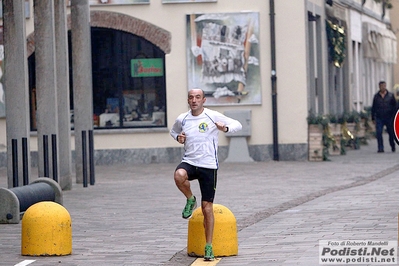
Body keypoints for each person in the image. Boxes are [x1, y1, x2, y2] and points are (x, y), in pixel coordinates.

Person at [170, 88, 242, 261]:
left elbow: (237, 125)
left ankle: (208, 246)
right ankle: (189, 199)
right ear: (188, 100)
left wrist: (224, 128)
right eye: (191, 97)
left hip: (208, 166)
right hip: (190, 161)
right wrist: (178, 137)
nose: (194, 100)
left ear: (204, 100)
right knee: (179, 175)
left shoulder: (212, 115)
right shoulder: (183, 118)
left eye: (197, 97)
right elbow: (173, 132)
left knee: (207, 208)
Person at [371, 81, 397, 153]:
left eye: (384, 86)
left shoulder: (390, 96)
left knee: (391, 133)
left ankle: (392, 145)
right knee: (379, 132)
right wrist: (373, 117)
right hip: (379, 117)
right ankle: (380, 148)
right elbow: (373, 107)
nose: (383, 87)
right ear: (379, 87)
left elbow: (395, 107)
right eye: (381, 86)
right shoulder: (376, 97)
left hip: (389, 117)